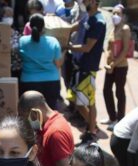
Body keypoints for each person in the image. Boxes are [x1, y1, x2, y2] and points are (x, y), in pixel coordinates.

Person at [69, 0, 107, 138]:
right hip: (80, 65)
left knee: (87, 103)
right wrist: (63, 30)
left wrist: (69, 46)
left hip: (88, 67)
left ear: (94, 1)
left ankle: (92, 131)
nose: (83, 2)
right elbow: (77, 26)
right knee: (77, 101)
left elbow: (87, 47)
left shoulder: (98, 22)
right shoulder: (88, 16)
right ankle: (92, 125)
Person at [18, 91, 74, 166]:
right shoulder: (48, 123)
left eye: (25, 117)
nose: (26, 123)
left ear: (34, 113)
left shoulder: (56, 133)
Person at [19, 14, 64, 109]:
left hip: (28, 82)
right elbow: (58, 63)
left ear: (29, 26)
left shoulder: (22, 41)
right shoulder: (53, 41)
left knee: (31, 115)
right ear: (43, 26)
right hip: (51, 82)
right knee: (50, 113)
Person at [103, 5, 132, 127]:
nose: (115, 16)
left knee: (119, 92)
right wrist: (107, 61)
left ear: (123, 16)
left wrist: (114, 64)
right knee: (106, 90)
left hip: (120, 66)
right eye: (113, 13)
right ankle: (112, 117)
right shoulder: (112, 29)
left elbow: (125, 50)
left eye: (118, 14)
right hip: (110, 66)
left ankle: (120, 120)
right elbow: (108, 48)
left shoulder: (125, 29)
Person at [5, 7, 24, 78]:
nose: (9, 18)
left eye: (10, 16)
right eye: (7, 16)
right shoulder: (0, 35)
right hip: (6, 68)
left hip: (17, 68)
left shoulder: (16, 33)